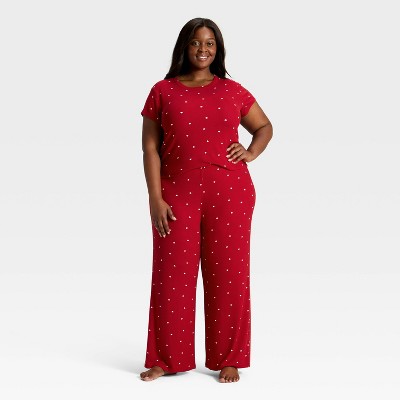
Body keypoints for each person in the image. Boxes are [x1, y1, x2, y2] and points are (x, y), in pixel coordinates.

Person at [139, 17, 273, 383]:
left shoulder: (232, 90)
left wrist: (250, 152)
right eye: (196, 42)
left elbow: (264, 126)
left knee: (229, 275)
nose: (203, 49)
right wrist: (154, 197)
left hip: (230, 192)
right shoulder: (162, 91)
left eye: (210, 43)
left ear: (218, 48)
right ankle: (166, 358)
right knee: (171, 275)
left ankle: (229, 358)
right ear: (184, 46)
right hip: (175, 193)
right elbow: (150, 148)